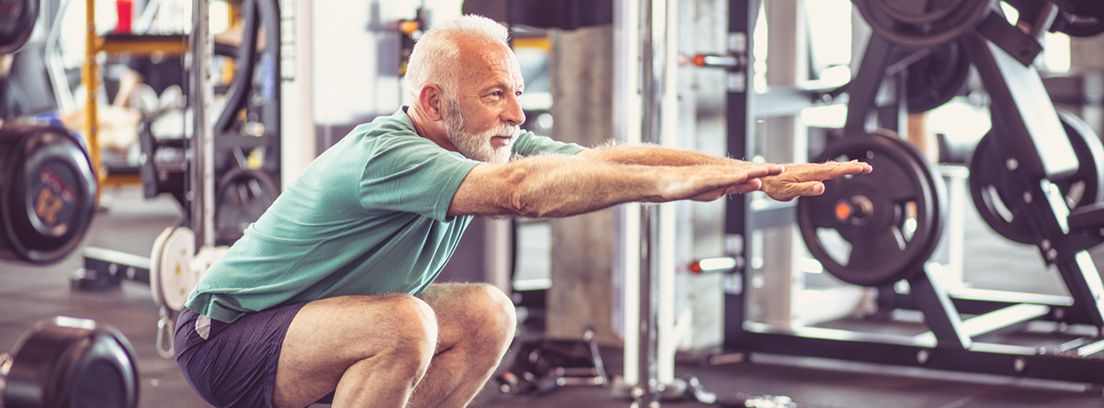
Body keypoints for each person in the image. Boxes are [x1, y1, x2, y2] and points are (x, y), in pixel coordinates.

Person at [173, 15, 872, 408]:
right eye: (494, 95)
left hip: (318, 322)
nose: (518, 110)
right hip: (227, 336)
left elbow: (607, 161)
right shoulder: (385, 155)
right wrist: (670, 190)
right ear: (432, 106)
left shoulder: (490, 139)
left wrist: (751, 175)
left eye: (515, 91)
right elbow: (523, 194)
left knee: (487, 312)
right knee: (404, 322)